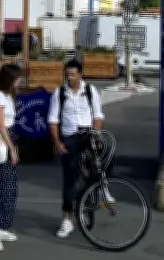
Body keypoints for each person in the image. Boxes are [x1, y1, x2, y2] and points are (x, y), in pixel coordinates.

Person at [47, 59, 105, 239]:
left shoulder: (90, 90)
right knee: (69, 177)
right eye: (67, 74)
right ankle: (67, 219)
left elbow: (98, 115)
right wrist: (57, 142)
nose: (69, 78)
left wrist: (95, 133)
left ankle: (91, 199)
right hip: (69, 137)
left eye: (73, 74)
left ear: (80, 74)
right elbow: (53, 120)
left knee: (102, 162)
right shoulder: (59, 93)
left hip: (88, 135)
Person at [0, 63, 23, 251]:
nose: (20, 80)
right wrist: (11, 147)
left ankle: (2, 227)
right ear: (10, 79)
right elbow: (1, 125)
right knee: (1, 188)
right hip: (2, 141)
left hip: (10, 138)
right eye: (17, 77)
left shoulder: (9, 96)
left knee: (10, 189)